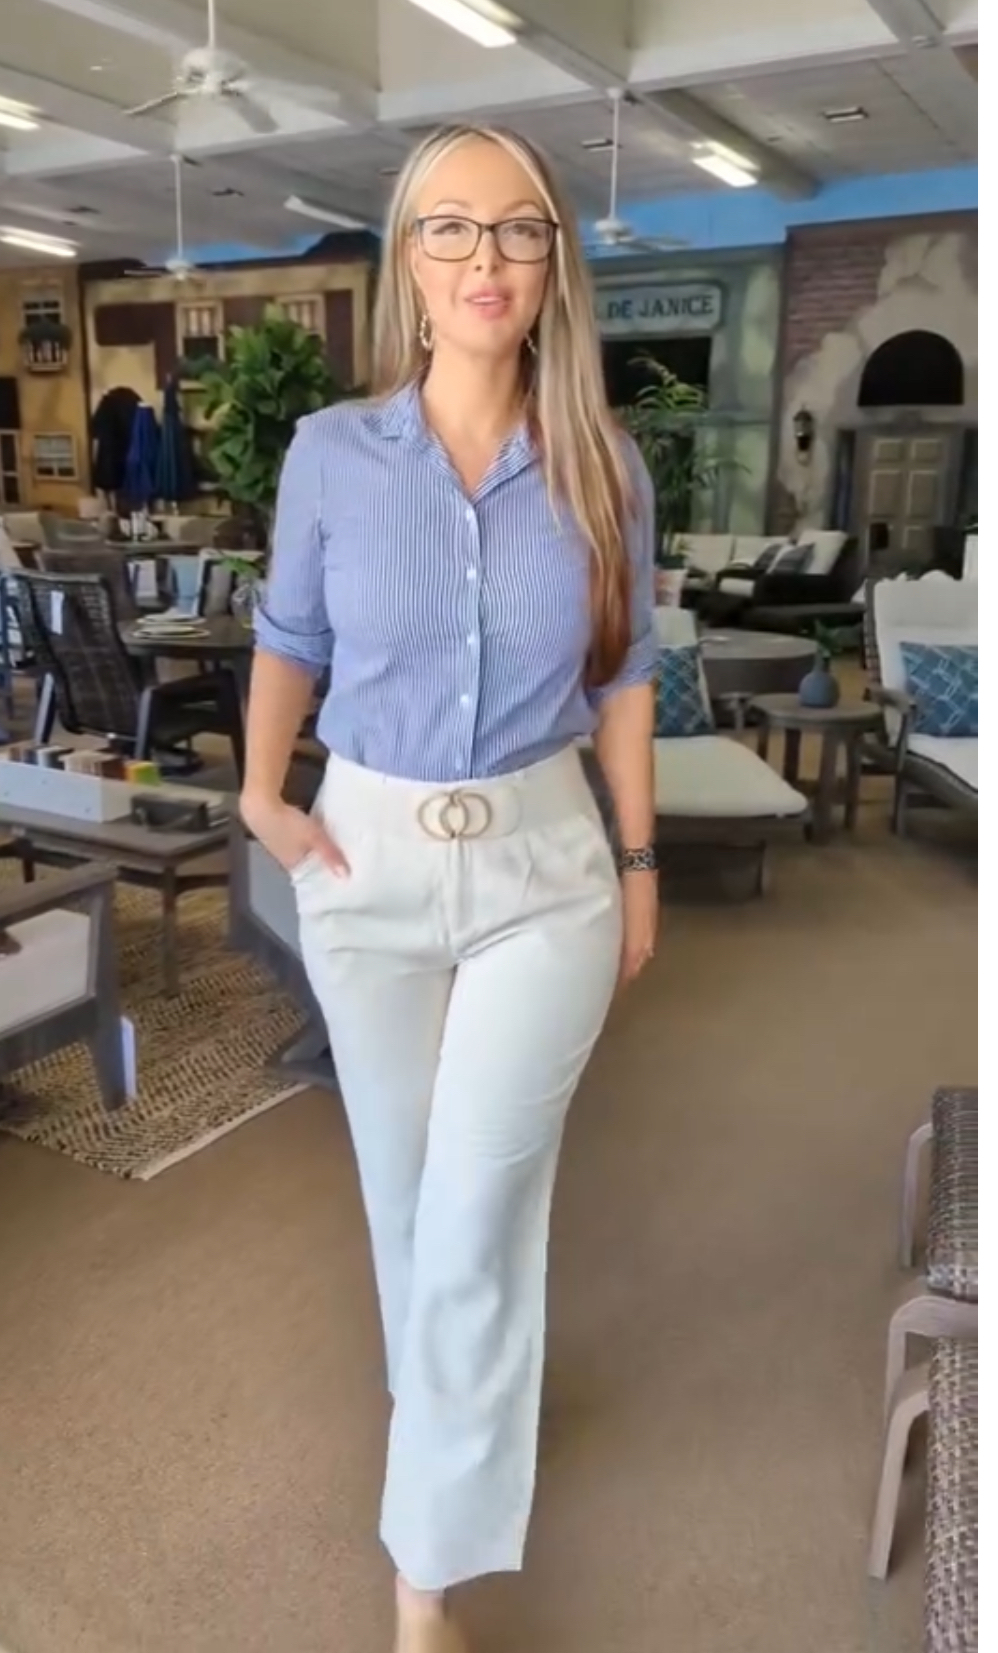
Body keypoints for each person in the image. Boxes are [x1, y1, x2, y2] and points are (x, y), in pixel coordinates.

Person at [241, 121, 659, 1653]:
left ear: (554, 266)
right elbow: (290, 636)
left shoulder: (605, 465)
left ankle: (421, 1583)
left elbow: (621, 679)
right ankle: (450, 1403)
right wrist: (259, 795)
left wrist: (638, 863)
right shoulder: (331, 454)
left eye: (521, 228)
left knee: (478, 1206)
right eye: (452, 227)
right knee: (406, 1194)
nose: (487, 257)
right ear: (407, 263)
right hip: (370, 859)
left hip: (546, 869)